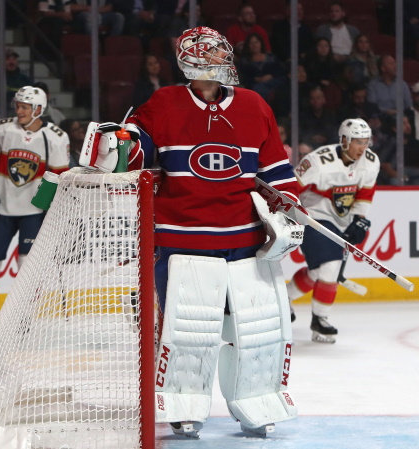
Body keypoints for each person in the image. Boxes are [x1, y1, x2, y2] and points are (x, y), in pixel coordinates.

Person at [80, 26, 302, 439]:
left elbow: (275, 171)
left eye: (224, 58)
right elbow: (133, 156)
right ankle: (184, 406)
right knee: (187, 331)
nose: (222, 67)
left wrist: (287, 204)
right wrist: (118, 143)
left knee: (255, 329)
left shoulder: (254, 106)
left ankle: (254, 402)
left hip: (244, 240)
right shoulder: (163, 103)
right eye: (213, 59)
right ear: (192, 64)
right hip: (182, 239)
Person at [0, 86, 70, 336]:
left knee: (27, 266)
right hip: (2, 207)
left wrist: (50, 208)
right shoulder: (3, 127)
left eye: (24, 107)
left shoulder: (56, 136)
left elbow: (59, 177)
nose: (18, 110)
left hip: (34, 211)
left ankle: (23, 316)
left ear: (38, 110)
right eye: (17, 105)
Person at [287, 118, 379, 343]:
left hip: (340, 221)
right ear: (345, 141)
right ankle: (320, 320)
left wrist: (359, 219)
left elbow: (365, 194)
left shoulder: (371, 161)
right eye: (358, 142)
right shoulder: (319, 161)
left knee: (319, 272)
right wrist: (290, 215)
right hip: (312, 217)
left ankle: (283, 298)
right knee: (331, 267)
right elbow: (291, 186)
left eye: (366, 142)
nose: (362, 147)